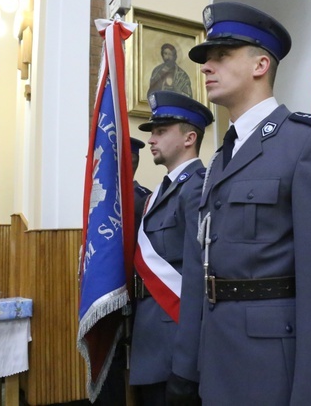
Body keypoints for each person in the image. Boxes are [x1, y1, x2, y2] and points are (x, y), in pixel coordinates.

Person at [188, 1, 311, 405]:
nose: (206, 67)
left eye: (221, 55)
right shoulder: (221, 158)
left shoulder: (309, 142)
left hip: (275, 368)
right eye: (206, 58)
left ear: (260, 65)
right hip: (221, 361)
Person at [129, 90, 214, 405]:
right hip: (151, 333)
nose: (152, 139)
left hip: (176, 335)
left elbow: (198, 274)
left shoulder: (198, 189)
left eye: (161, 131)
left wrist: (187, 360)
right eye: (153, 132)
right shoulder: (157, 193)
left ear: (190, 137)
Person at [96, 138, 152, 406]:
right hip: (103, 299)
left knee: (127, 367)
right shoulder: (100, 202)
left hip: (132, 299)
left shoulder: (143, 201)